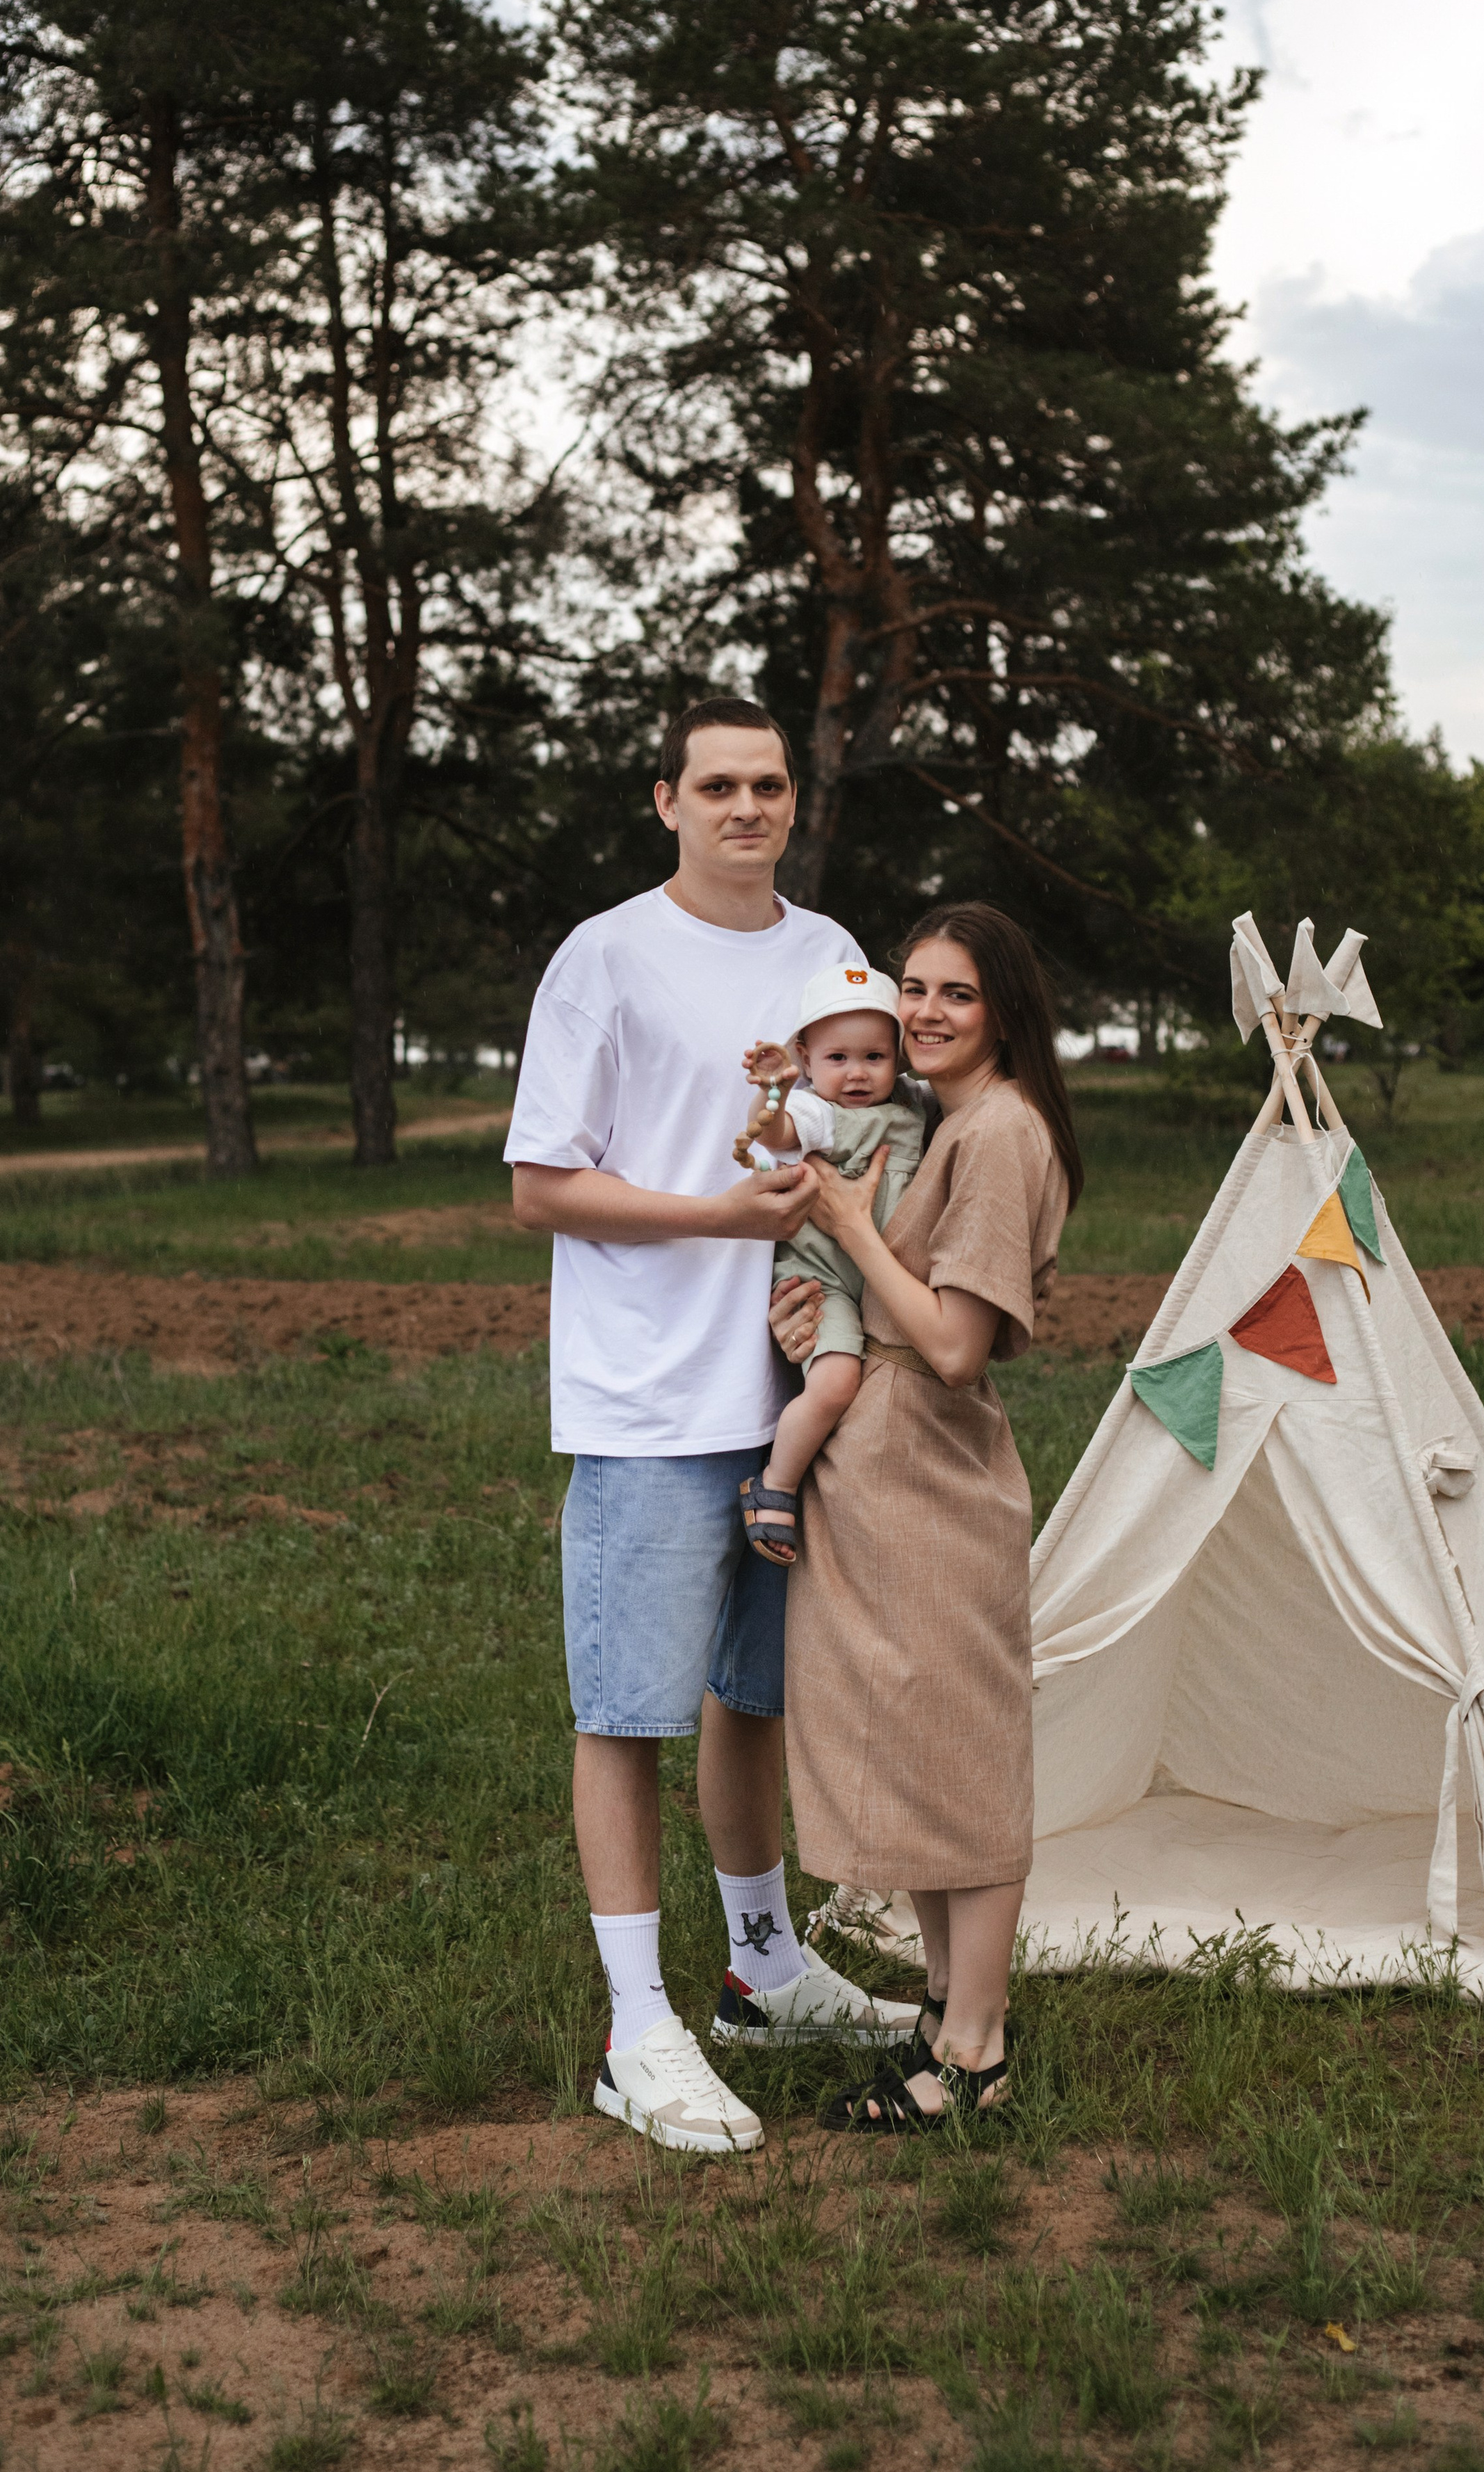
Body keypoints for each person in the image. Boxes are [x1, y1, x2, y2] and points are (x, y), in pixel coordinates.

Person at [506, 696, 919, 2156]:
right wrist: (713, 1218)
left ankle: (760, 1969)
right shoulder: (605, 955)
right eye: (717, 785)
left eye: (769, 784)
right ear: (664, 800)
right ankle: (637, 2028)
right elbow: (541, 1184)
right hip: (648, 1396)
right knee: (626, 1711)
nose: (746, 807)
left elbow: (870, 1132)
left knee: (753, 1696)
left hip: (792, 1394)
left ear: (794, 802)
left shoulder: (830, 957)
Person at [769, 903, 1085, 2131]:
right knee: (923, 1743)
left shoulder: (1000, 1133)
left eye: (956, 991)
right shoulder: (949, 1123)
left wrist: (847, 1225)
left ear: (1003, 1006)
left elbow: (954, 1343)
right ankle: (946, 2009)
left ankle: (975, 2050)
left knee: (964, 1754)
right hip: (885, 1465)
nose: (925, 1012)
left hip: (934, 1468)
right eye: (913, 988)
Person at [732, 965, 930, 1568]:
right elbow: (781, 1129)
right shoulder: (821, 1112)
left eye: (875, 1055)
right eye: (837, 1056)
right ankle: (777, 1483)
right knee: (838, 1380)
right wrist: (777, 1090)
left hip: (883, 1274)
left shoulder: (918, 1104)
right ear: (807, 1058)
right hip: (824, 1278)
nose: (857, 1073)